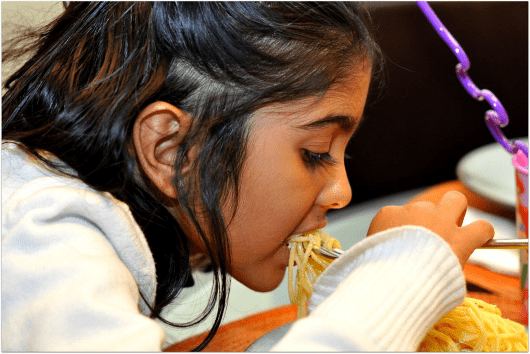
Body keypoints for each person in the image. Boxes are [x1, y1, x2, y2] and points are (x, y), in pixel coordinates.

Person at [1, 2, 494, 351]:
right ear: (171, 149)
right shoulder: (42, 239)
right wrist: (402, 276)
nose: (342, 191)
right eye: (316, 152)